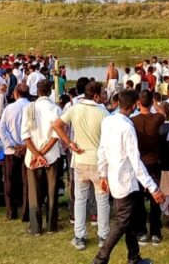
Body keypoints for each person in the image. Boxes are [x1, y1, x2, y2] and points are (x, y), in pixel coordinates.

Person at [92, 89, 164, 264]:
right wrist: (153, 187)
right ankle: (100, 259)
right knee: (122, 222)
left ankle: (134, 257)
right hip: (125, 180)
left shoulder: (108, 121)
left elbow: (102, 150)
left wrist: (103, 174)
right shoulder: (127, 127)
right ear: (133, 106)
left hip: (116, 177)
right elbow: (135, 161)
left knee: (130, 220)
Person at [52, 79, 110, 251]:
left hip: (80, 160)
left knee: (80, 199)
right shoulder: (103, 112)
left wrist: (70, 143)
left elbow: (56, 125)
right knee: (102, 199)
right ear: (96, 96)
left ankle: (79, 236)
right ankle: (103, 235)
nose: (104, 96)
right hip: (98, 162)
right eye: (103, 93)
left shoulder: (74, 108)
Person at [22, 79, 62, 235]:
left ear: (37, 91)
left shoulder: (29, 108)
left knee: (34, 193)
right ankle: (52, 225)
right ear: (50, 91)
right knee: (52, 192)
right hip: (50, 155)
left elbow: (25, 136)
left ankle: (35, 227)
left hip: (32, 156)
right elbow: (56, 136)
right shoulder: (55, 109)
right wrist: (42, 154)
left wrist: (37, 154)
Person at [131, 89, 166, 244]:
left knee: (138, 198)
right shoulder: (157, 118)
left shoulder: (133, 120)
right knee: (155, 197)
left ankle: (141, 231)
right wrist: (156, 104)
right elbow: (163, 113)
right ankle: (155, 231)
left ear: (138, 102)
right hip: (154, 161)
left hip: (139, 162)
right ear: (151, 102)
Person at [0, 83, 32, 222]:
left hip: (11, 150)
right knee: (27, 182)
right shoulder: (32, 107)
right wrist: (23, 146)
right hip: (28, 148)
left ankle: (11, 211)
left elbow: (1, 130)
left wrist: (12, 144)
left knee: (10, 181)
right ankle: (26, 212)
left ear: (16, 94)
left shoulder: (9, 108)